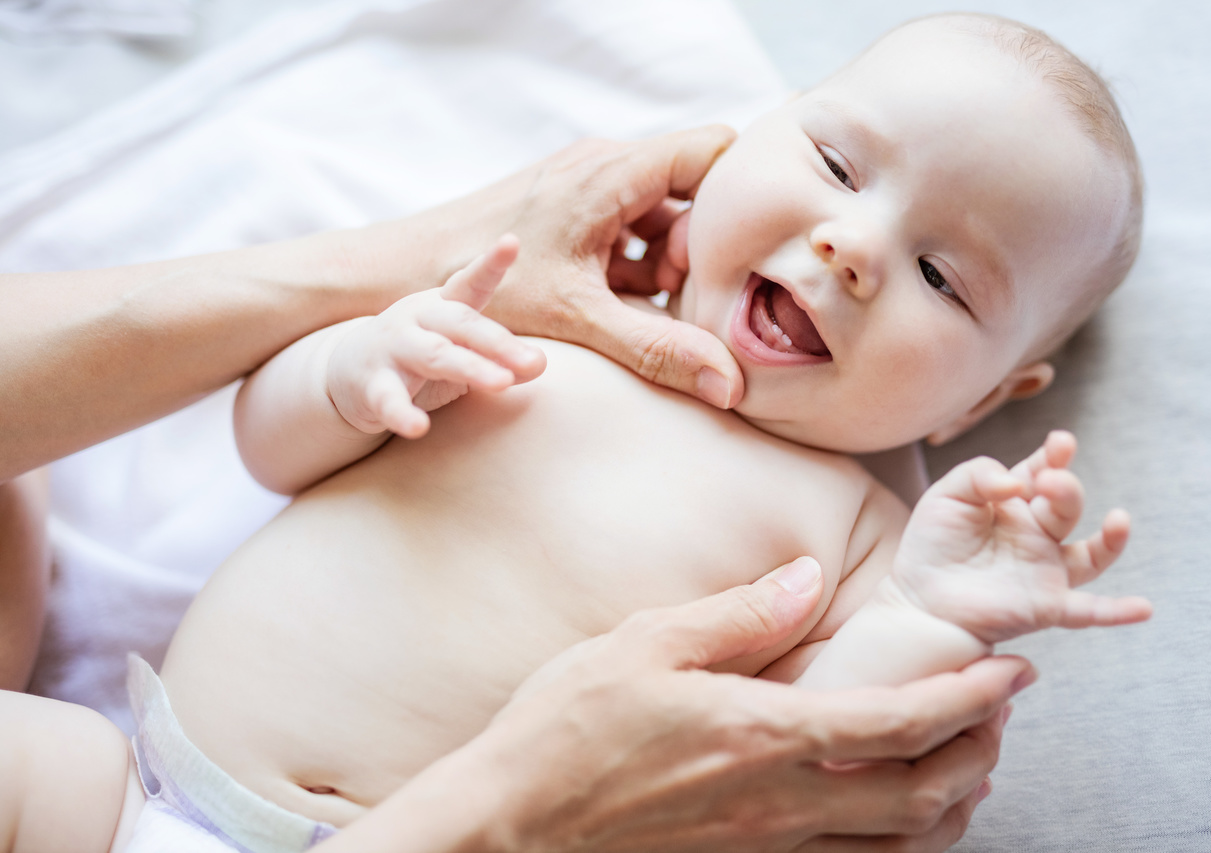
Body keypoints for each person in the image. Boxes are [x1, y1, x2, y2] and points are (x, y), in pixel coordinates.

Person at [49, 11, 1149, 852]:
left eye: (940, 277)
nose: (853, 244)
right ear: (730, 151)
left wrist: (932, 611)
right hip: (129, 782)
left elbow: (816, 751)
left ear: (977, 405)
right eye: (836, 166)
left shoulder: (861, 531)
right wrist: (352, 370)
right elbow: (267, 449)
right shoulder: (553, 320)